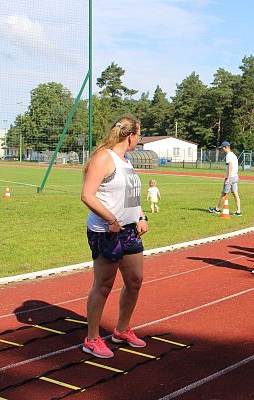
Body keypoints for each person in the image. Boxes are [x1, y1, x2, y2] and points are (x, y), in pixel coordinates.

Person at [81, 115, 148, 358]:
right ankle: (92, 338)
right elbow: (88, 195)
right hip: (107, 232)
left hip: (130, 230)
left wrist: (142, 216)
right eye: (138, 136)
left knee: (135, 281)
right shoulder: (103, 158)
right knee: (104, 285)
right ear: (130, 136)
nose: (138, 140)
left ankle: (121, 330)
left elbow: (132, 196)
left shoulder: (125, 161)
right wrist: (111, 219)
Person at [208, 141, 242, 216]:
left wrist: (228, 178)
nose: (221, 150)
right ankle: (238, 211)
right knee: (235, 193)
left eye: (222, 148)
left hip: (231, 177)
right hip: (235, 176)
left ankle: (217, 209)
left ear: (226, 147)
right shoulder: (234, 155)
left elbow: (230, 166)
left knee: (224, 193)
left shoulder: (228, 155)